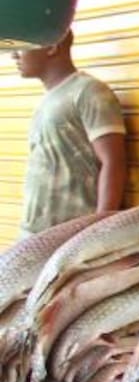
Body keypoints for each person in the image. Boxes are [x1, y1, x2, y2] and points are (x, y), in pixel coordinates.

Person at [12, 30, 126, 236]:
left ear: (52, 47)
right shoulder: (47, 100)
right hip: (36, 235)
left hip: (72, 238)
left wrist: (100, 232)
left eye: (22, 47)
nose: (14, 55)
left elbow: (113, 162)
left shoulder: (89, 92)